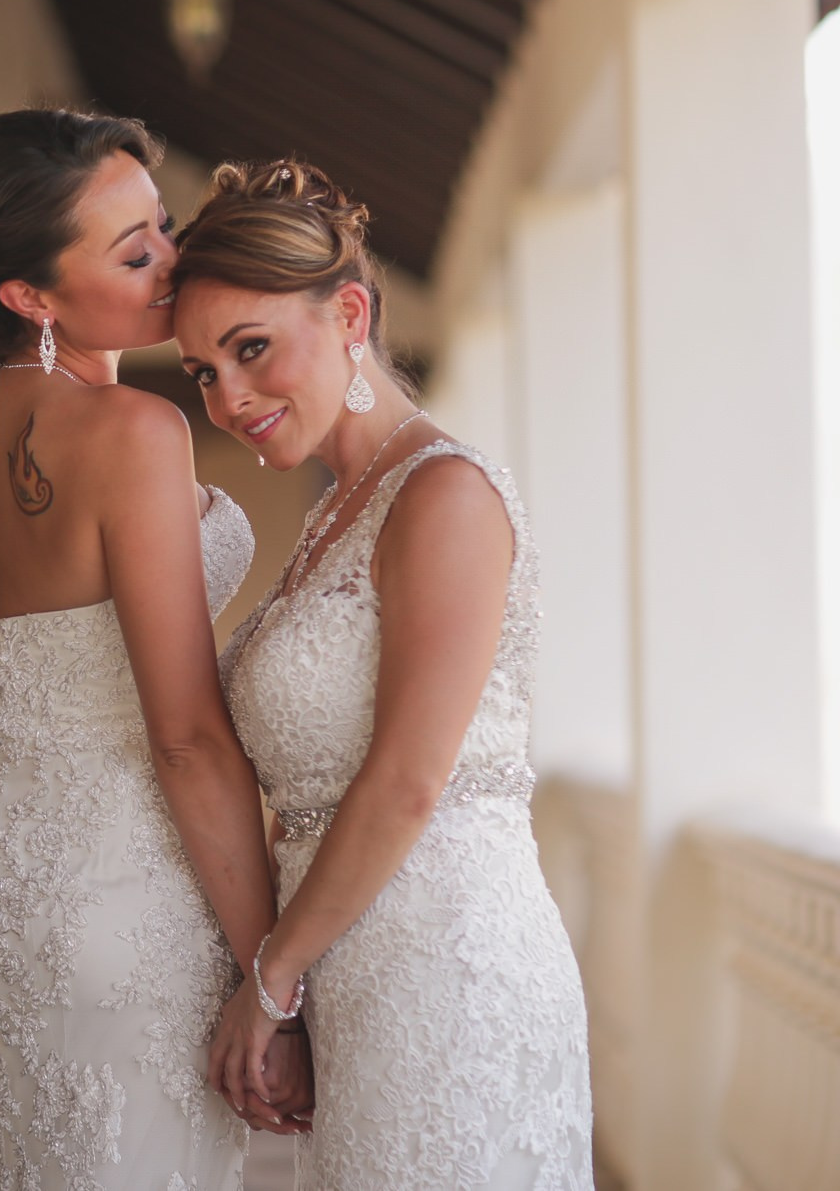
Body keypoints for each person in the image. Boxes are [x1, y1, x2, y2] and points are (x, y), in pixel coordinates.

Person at [0, 110, 308, 1189]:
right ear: (29, 297)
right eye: (134, 253)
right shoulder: (134, 433)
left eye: (161, 226)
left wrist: (5, 861)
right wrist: (274, 976)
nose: (175, 259)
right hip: (119, 901)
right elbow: (184, 740)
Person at [175, 159, 593, 1189]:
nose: (227, 397)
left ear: (348, 314)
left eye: (250, 350)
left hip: (452, 975)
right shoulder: (336, 513)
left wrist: (267, 983)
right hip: (360, 978)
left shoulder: (443, 495)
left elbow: (408, 780)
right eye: (200, 371)